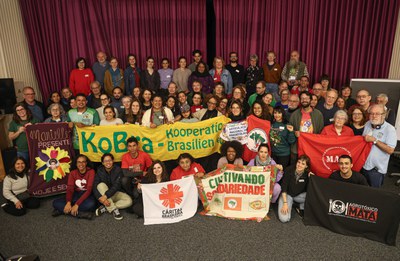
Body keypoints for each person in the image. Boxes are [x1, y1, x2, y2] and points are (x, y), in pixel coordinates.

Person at [361, 104, 397, 187]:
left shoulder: (390, 129)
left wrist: (375, 140)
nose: (374, 116)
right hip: (363, 166)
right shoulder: (367, 124)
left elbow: (390, 150)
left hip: (376, 171)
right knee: (361, 192)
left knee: (373, 195)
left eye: (377, 113)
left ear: (383, 115)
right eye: (372, 113)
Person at [52, 154, 96, 219]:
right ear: (76, 163)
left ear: (86, 163)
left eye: (83, 162)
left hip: (86, 195)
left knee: (91, 204)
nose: (81, 164)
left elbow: (89, 190)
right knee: (55, 203)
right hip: (76, 194)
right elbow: (70, 189)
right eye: (79, 162)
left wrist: (77, 204)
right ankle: (81, 214)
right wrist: (68, 203)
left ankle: (62, 211)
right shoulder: (73, 173)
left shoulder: (91, 172)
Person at [93, 153, 132, 220]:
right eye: (105, 161)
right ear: (102, 163)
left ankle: (105, 208)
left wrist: (106, 196)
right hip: (103, 193)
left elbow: (116, 186)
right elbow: (94, 186)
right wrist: (101, 198)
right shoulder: (99, 171)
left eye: (110, 160)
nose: (108, 162)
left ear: (113, 161)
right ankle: (114, 210)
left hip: (115, 192)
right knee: (100, 185)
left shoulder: (118, 170)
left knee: (129, 201)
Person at [289, 91, 324, 163]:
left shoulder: (318, 114)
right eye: (302, 98)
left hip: (312, 147)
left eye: (307, 98)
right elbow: (290, 130)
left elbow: (321, 131)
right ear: (300, 100)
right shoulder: (294, 114)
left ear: (310, 100)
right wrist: (294, 132)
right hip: (297, 147)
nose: (304, 100)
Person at [278, 155, 312, 222]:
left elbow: (311, 190)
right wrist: (285, 203)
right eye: (298, 162)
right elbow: (284, 188)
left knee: (312, 196)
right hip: (287, 195)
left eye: (303, 164)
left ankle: (299, 206)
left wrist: (312, 179)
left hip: (298, 196)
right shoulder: (288, 170)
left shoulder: (307, 174)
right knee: (284, 219)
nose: (299, 165)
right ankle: (291, 203)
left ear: (306, 166)